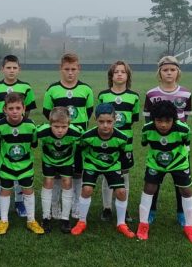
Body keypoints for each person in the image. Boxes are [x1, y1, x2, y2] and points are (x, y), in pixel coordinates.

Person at [135, 100, 192, 244]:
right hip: (155, 163)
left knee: (186, 190)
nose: (163, 125)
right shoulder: (147, 129)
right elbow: (145, 143)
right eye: (159, 121)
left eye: (167, 121)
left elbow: (186, 143)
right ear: (153, 119)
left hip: (178, 162)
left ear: (174, 119)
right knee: (149, 188)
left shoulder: (183, 129)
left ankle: (190, 227)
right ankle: (143, 224)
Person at [42, 52, 94, 220]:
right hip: (59, 140)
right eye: (67, 69)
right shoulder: (53, 90)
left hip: (78, 140)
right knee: (57, 173)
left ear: (79, 69)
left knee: (78, 172)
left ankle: (76, 203)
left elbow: (89, 112)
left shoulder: (86, 89)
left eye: (73, 69)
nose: (70, 72)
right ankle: (55, 204)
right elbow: (47, 113)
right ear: (61, 69)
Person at [143, 56, 192, 226]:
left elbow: (185, 119)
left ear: (178, 72)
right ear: (159, 72)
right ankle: (151, 210)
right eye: (165, 70)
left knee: (181, 182)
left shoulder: (186, 94)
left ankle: (181, 212)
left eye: (172, 70)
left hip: (178, 147)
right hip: (158, 146)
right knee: (153, 181)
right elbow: (148, 121)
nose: (169, 73)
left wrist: (181, 140)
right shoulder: (151, 94)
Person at [0, 55, 37, 218]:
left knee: (21, 165)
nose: (11, 70)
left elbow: (27, 110)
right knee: (1, 168)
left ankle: (20, 202)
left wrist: (20, 124)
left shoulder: (26, 87)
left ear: (19, 69)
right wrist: (5, 124)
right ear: (2, 69)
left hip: (21, 134)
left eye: (14, 67)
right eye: (8, 67)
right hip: (3, 134)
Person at [74, 103, 135, 238]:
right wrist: (81, 167)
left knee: (121, 192)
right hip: (92, 164)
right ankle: (82, 221)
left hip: (112, 165)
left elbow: (123, 155)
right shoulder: (87, 136)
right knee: (87, 189)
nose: (105, 125)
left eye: (109, 121)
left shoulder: (122, 138)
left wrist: (120, 169)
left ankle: (121, 223)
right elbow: (80, 150)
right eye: (101, 122)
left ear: (115, 120)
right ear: (95, 119)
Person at [0, 92, 43, 235]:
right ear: (4, 109)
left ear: (24, 108)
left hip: (25, 166)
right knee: (5, 190)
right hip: (7, 165)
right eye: (11, 108)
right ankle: (3, 220)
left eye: (18, 108)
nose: (14, 111)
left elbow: (33, 143)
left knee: (28, 190)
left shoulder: (30, 125)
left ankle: (31, 220)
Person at [97, 60, 140, 223]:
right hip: (107, 141)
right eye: (116, 72)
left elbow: (133, 119)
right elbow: (100, 118)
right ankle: (107, 207)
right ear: (111, 76)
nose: (120, 74)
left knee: (124, 174)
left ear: (128, 76)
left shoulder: (134, 97)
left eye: (123, 72)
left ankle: (123, 206)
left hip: (125, 142)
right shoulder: (104, 95)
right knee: (107, 174)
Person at [36, 107, 83, 234]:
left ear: (69, 124)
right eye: (56, 126)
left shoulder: (76, 132)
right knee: (48, 182)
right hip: (49, 161)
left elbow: (85, 141)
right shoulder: (42, 131)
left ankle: (65, 218)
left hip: (66, 161)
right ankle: (46, 217)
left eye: (64, 127)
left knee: (67, 183)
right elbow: (31, 135)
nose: (60, 130)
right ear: (50, 124)